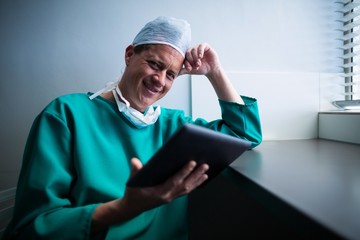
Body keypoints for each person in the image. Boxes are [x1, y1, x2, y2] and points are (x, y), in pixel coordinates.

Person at [3, 16, 262, 240]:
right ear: (129, 54)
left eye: (171, 74)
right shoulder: (66, 115)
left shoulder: (175, 127)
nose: (159, 80)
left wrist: (214, 72)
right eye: (154, 64)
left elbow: (246, 134)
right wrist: (126, 207)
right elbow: (32, 228)